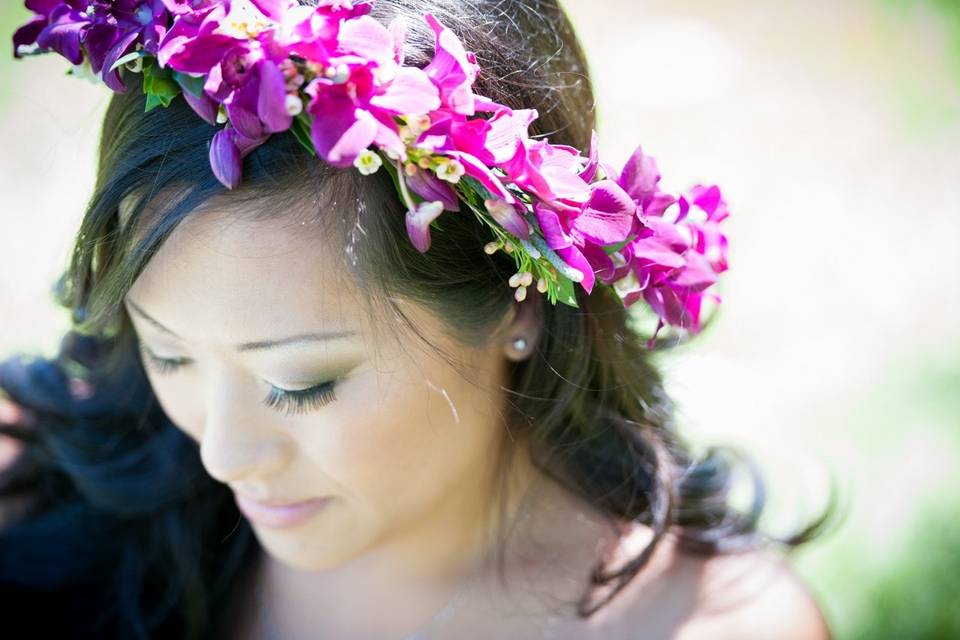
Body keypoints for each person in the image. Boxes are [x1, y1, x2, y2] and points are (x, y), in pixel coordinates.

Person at [0, 1, 835, 638]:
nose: (220, 450)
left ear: (519, 304)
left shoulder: (705, 623)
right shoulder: (34, 506)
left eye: (300, 383)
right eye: (169, 354)